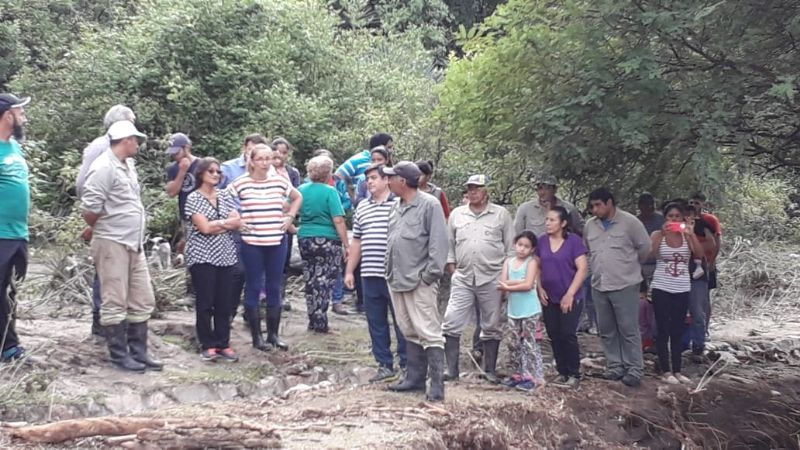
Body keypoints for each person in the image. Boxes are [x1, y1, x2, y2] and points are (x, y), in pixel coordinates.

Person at [81, 121, 162, 372]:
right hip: (112, 240)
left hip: (133, 241)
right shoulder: (104, 167)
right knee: (114, 299)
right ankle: (118, 355)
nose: (138, 144)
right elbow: (90, 208)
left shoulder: (128, 165)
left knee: (142, 297)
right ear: (126, 140)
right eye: (135, 139)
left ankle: (139, 352)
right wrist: (103, 226)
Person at [384, 161, 448, 402]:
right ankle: (415, 379)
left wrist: (429, 275)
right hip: (397, 277)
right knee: (408, 329)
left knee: (429, 331)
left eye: (391, 177)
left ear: (403, 181)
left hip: (419, 279)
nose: (388, 181)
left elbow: (439, 243)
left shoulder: (430, 204)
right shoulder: (396, 206)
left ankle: (437, 386)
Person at [228, 144, 301, 352]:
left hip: (276, 241)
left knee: (274, 287)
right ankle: (256, 337)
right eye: (260, 159)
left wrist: (290, 217)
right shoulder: (241, 183)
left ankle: (273, 335)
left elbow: (297, 197)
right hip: (252, 242)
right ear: (251, 161)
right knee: (252, 286)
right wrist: (236, 219)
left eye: (268, 158)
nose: (265, 163)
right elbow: (224, 200)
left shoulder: (279, 181)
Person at [442, 174, 514, 384]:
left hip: (492, 276)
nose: (473, 192)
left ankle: (489, 370)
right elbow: (449, 244)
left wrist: (506, 280)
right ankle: (451, 370)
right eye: (470, 189)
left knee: (491, 324)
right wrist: (452, 269)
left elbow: (511, 249)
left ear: (486, 191)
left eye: (477, 188)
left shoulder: (501, 215)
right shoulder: (457, 214)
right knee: (451, 321)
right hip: (463, 277)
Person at [75, 105, 138, 339]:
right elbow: (84, 184)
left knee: (114, 274)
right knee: (108, 273)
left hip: (119, 223)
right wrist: (95, 218)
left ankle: (112, 325)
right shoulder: (103, 147)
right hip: (107, 221)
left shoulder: (121, 154)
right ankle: (103, 326)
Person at [344, 164, 406, 382]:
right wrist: (349, 271)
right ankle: (384, 364)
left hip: (395, 274)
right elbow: (357, 241)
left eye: (373, 178)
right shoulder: (362, 207)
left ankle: (407, 364)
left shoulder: (399, 204)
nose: (369, 182)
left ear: (386, 180)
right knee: (376, 321)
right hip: (369, 273)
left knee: (401, 321)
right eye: (367, 179)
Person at [584, 187, 650, 387]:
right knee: (606, 329)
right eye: (592, 206)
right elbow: (588, 251)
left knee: (628, 328)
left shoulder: (630, 223)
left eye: (598, 205)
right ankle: (615, 366)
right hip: (599, 284)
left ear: (609, 203)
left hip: (625, 284)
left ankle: (634, 369)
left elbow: (645, 248)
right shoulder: (590, 225)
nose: (595, 210)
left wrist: (628, 268)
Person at [185, 157, 243, 362]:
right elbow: (204, 228)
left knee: (224, 302)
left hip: (226, 256)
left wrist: (218, 224)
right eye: (211, 171)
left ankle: (223, 343)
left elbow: (237, 222)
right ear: (201, 173)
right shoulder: (193, 198)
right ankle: (207, 344)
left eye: (218, 171)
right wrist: (225, 224)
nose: (216, 175)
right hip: (203, 256)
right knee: (205, 302)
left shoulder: (225, 195)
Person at [649, 203, 703, 384]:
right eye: (670, 216)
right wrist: (662, 235)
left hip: (681, 286)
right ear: (665, 218)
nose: (673, 219)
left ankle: (678, 370)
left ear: (682, 218)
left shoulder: (686, 235)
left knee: (677, 329)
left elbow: (699, 254)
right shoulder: (657, 234)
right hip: (661, 286)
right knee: (663, 328)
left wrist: (691, 234)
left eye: (677, 216)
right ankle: (665, 370)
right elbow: (651, 254)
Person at [219, 133, 270, 323]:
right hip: (235, 228)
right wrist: (230, 213)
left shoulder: (269, 172)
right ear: (244, 149)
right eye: (250, 151)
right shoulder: (228, 168)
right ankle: (228, 315)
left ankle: (252, 316)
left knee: (257, 274)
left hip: (260, 228)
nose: (253, 156)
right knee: (237, 272)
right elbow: (217, 194)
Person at [536, 207, 589, 389]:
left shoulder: (574, 241)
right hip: (549, 296)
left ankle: (574, 373)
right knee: (554, 333)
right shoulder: (542, 241)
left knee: (568, 334)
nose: (548, 223)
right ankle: (562, 371)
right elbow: (537, 266)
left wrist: (570, 293)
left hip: (570, 295)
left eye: (552, 220)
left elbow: (582, 269)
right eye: (547, 219)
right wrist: (539, 287)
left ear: (563, 223)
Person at [297, 155, 349, 333]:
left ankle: (313, 319)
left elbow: (286, 208)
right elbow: (338, 220)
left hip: (305, 238)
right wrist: (346, 244)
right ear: (328, 173)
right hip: (327, 240)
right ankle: (320, 322)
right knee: (324, 280)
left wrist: (294, 228)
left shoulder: (301, 190)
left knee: (310, 278)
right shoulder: (330, 192)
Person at [0, 93, 31, 363]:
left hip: (18, 234)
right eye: (21, 112)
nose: (25, 118)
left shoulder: (14, 148)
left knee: (10, 292)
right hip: (1, 235)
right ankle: (9, 348)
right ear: (8, 115)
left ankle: (9, 345)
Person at [498, 230, 544, 392]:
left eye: (526, 246)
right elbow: (503, 281)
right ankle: (517, 374)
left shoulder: (532, 262)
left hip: (530, 309)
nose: (522, 249)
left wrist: (509, 285)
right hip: (513, 309)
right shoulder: (508, 262)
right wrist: (519, 282)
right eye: (520, 245)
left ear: (532, 249)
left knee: (530, 343)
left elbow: (528, 285)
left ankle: (532, 377)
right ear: (514, 245)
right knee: (513, 343)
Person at [272, 137, 302, 312]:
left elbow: (297, 195)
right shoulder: (265, 170)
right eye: (277, 152)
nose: (281, 156)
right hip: (268, 219)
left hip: (287, 219)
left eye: (284, 153)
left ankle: (280, 295)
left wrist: (290, 213)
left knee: (284, 260)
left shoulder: (292, 173)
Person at [683, 205, 716, 355]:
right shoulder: (673, 229)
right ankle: (683, 343)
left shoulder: (703, 225)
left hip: (698, 273)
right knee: (681, 311)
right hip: (679, 274)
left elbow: (712, 243)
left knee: (697, 311)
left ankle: (698, 344)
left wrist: (695, 246)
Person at [688, 193, 722, 331]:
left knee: (704, 297)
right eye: (691, 202)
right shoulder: (685, 221)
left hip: (706, 262)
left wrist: (712, 261)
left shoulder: (710, 220)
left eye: (697, 203)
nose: (694, 205)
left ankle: (705, 329)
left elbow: (717, 242)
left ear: (703, 204)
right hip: (689, 263)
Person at [637, 192, 665, 283]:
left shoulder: (661, 220)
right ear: (640, 206)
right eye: (646, 205)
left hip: (659, 263)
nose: (649, 207)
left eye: (651, 204)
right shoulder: (635, 222)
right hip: (640, 264)